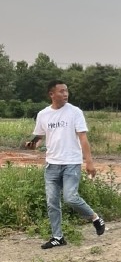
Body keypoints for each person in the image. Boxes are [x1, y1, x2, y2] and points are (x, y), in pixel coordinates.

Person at [25, 81, 105, 248]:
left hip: (71, 163)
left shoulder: (75, 112)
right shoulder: (43, 114)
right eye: (61, 91)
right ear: (51, 94)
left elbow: (83, 138)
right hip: (51, 165)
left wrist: (89, 162)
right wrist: (32, 144)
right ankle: (57, 237)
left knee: (70, 198)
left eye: (66, 91)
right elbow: (39, 138)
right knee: (52, 202)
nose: (65, 94)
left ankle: (95, 218)